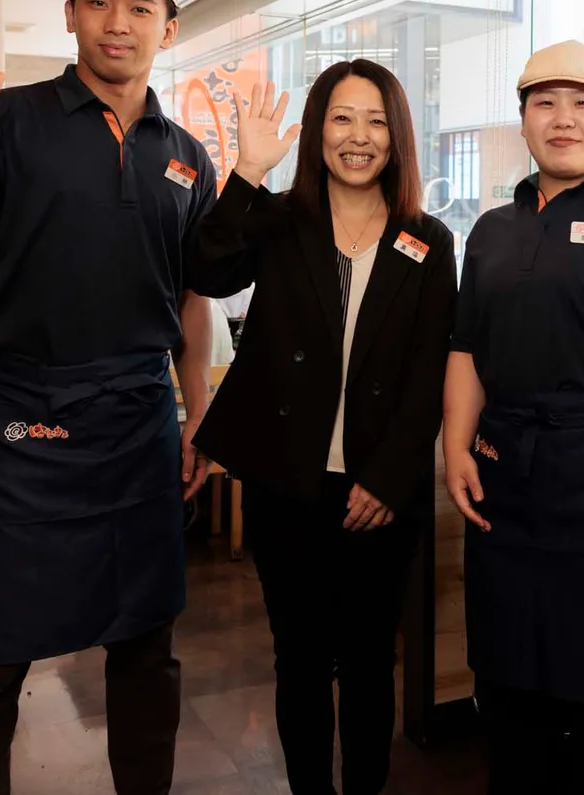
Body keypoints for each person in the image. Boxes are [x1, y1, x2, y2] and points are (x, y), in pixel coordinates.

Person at [0, 0, 218, 795]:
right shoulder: (7, 119)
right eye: (99, 1)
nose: (118, 23)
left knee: (146, 646)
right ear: (70, 14)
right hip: (24, 419)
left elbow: (192, 298)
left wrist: (196, 411)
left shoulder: (188, 154)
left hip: (139, 419)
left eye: (141, 7)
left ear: (168, 28)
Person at [186, 60, 456, 795]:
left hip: (378, 493)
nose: (358, 137)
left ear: (397, 138)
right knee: (300, 660)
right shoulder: (280, 219)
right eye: (342, 118)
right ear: (317, 130)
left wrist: (391, 479)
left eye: (376, 121)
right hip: (289, 485)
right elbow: (208, 271)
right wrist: (246, 171)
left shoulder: (427, 240)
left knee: (369, 664)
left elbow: (429, 370)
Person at [443, 39, 584, 795]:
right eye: (545, 102)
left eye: (582, 103)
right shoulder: (492, 227)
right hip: (507, 473)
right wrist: (457, 444)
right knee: (509, 673)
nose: (563, 118)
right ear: (523, 119)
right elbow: (467, 345)